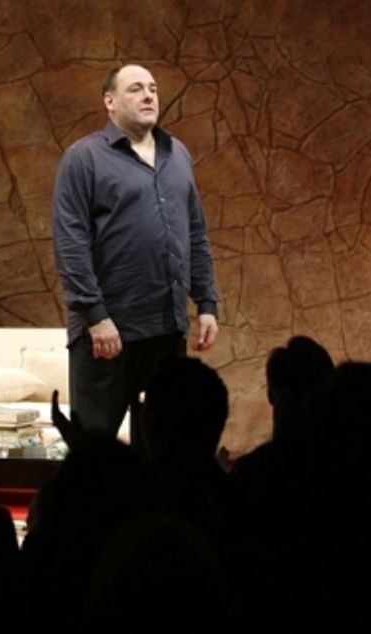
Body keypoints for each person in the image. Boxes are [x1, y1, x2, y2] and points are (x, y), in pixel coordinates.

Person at [52, 63, 220, 451]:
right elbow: (71, 242)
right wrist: (95, 316)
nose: (148, 96)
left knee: (165, 452)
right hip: (108, 334)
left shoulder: (177, 154)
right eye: (135, 89)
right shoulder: (84, 158)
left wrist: (207, 302)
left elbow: (195, 232)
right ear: (109, 102)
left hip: (165, 331)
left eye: (153, 88)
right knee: (94, 455)